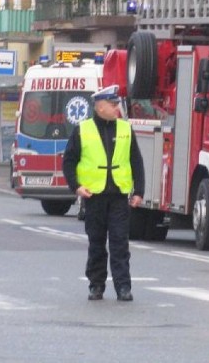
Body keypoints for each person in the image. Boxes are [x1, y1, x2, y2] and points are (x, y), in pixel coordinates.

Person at [63, 85, 145, 302]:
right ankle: (96, 285)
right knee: (97, 243)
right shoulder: (83, 129)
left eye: (117, 104)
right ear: (100, 107)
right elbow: (69, 161)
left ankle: (123, 287)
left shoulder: (125, 129)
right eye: (112, 104)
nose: (117, 107)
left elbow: (136, 161)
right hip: (94, 196)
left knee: (120, 243)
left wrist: (139, 191)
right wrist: (76, 186)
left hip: (118, 195)